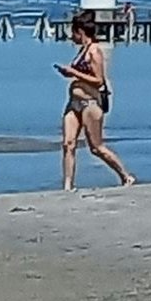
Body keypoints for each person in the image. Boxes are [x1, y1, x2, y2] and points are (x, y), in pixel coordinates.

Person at [56, 12, 135, 190]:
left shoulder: (94, 51)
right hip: (73, 103)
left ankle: (125, 175)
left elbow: (99, 80)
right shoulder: (81, 51)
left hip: (90, 104)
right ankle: (68, 185)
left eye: (74, 32)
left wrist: (73, 73)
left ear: (80, 31)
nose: (72, 36)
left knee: (96, 147)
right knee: (68, 144)